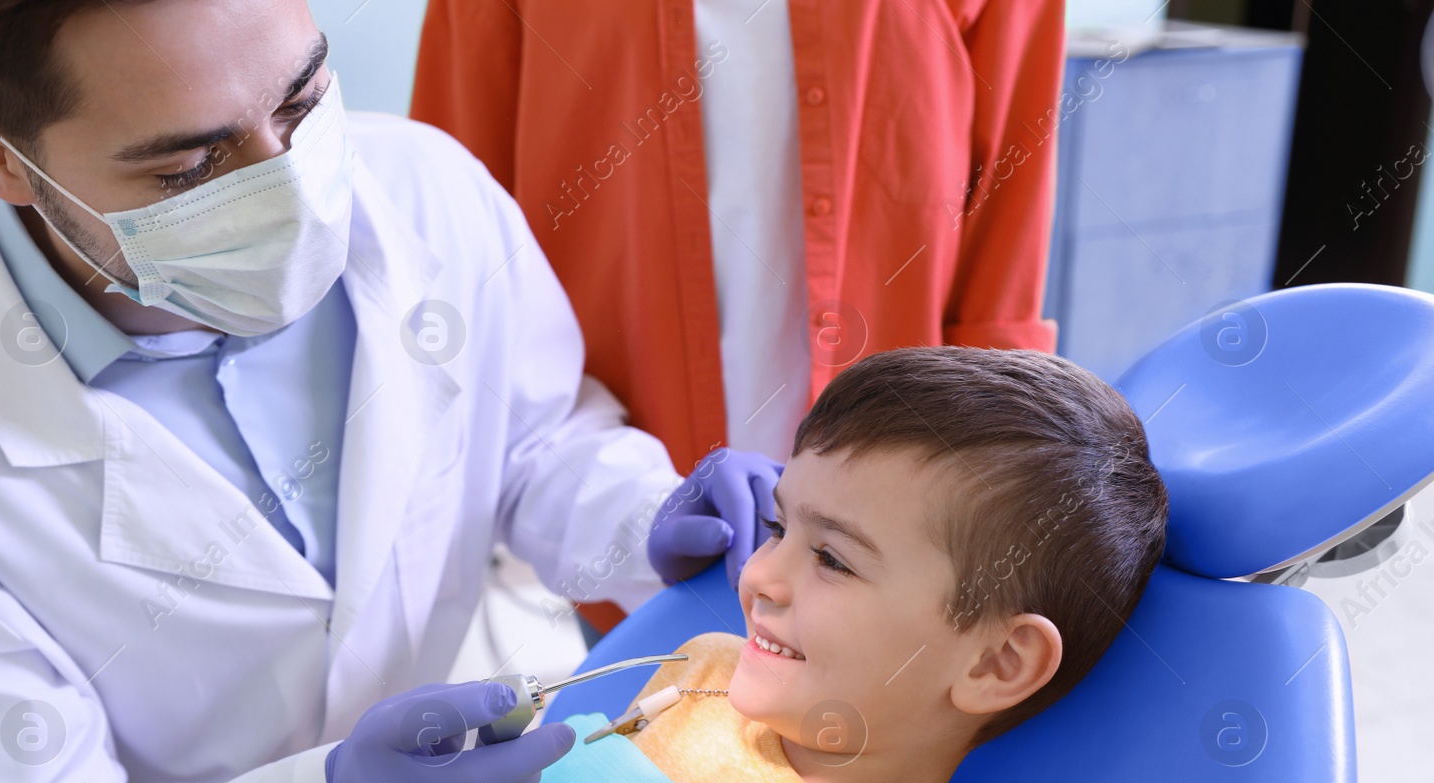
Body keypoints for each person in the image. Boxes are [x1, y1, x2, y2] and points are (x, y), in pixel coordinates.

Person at [0, 0, 781, 783]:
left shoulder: (421, 188)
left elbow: (531, 437)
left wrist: (641, 518)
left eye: (303, 98)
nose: (288, 180)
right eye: (188, 170)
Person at [411, 0, 1067, 635]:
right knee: (659, 738)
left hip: (896, 514)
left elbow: (1006, 224)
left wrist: (999, 472)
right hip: (620, 490)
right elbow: (460, 231)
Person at [617, 346, 1169, 783]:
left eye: (834, 559)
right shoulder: (697, 678)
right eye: (781, 528)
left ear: (996, 662)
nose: (759, 577)